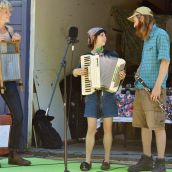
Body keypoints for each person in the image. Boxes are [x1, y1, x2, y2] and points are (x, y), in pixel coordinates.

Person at [73, 27, 126, 171]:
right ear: (93, 38)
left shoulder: (113, 54)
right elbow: (75, 71)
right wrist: (77, 71)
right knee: (91, 129)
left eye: (105, 35)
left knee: (108, 129)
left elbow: (118, 74)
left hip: (108, 95)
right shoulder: (86, 56)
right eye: (101, 35)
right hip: (92, 95)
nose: (105, 37)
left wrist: (122, 76)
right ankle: (87, 161)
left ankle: (107, 160)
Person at [127, 6, 170, 172]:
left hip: (154, 90)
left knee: (158, 127)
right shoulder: (146, 39)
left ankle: (160, 163)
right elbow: (149, 63)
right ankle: (146, 160)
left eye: (135, 20)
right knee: (144, 126)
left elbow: (165, 62)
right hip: (141, 89)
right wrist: (139, 71)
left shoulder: (161, 35)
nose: (134, 25)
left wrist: (158, 87)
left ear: (143, 18)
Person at [0, 0, 31, 167]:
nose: (10, 15)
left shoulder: (11, 31)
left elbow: (13, 55)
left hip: (8, 78)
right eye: (7, 12)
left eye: (10, 12)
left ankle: (13, 154)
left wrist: (16, 41)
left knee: (18, 115)